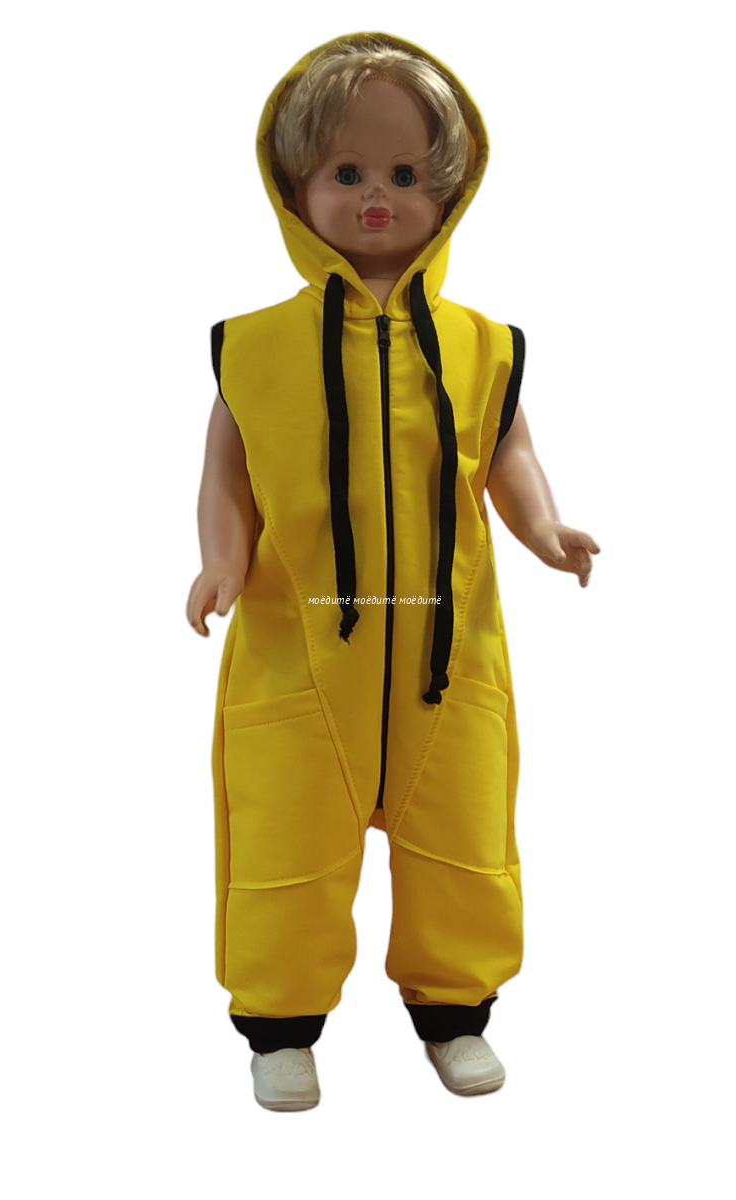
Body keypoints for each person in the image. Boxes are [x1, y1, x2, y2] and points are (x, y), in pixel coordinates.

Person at [187, 33, 599, 1112]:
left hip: (446, 663)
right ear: (295, 190)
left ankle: (455, 1014)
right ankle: (280, 1027)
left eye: (406, 173)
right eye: (349, 171)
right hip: (295, 656)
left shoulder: (482, 346)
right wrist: (221, 560)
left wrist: (545, 529)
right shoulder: (253, 348)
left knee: (461, 841)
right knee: (283, 842)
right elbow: (226, 468)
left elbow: (508, 455)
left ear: (449, 191)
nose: (378, 195)